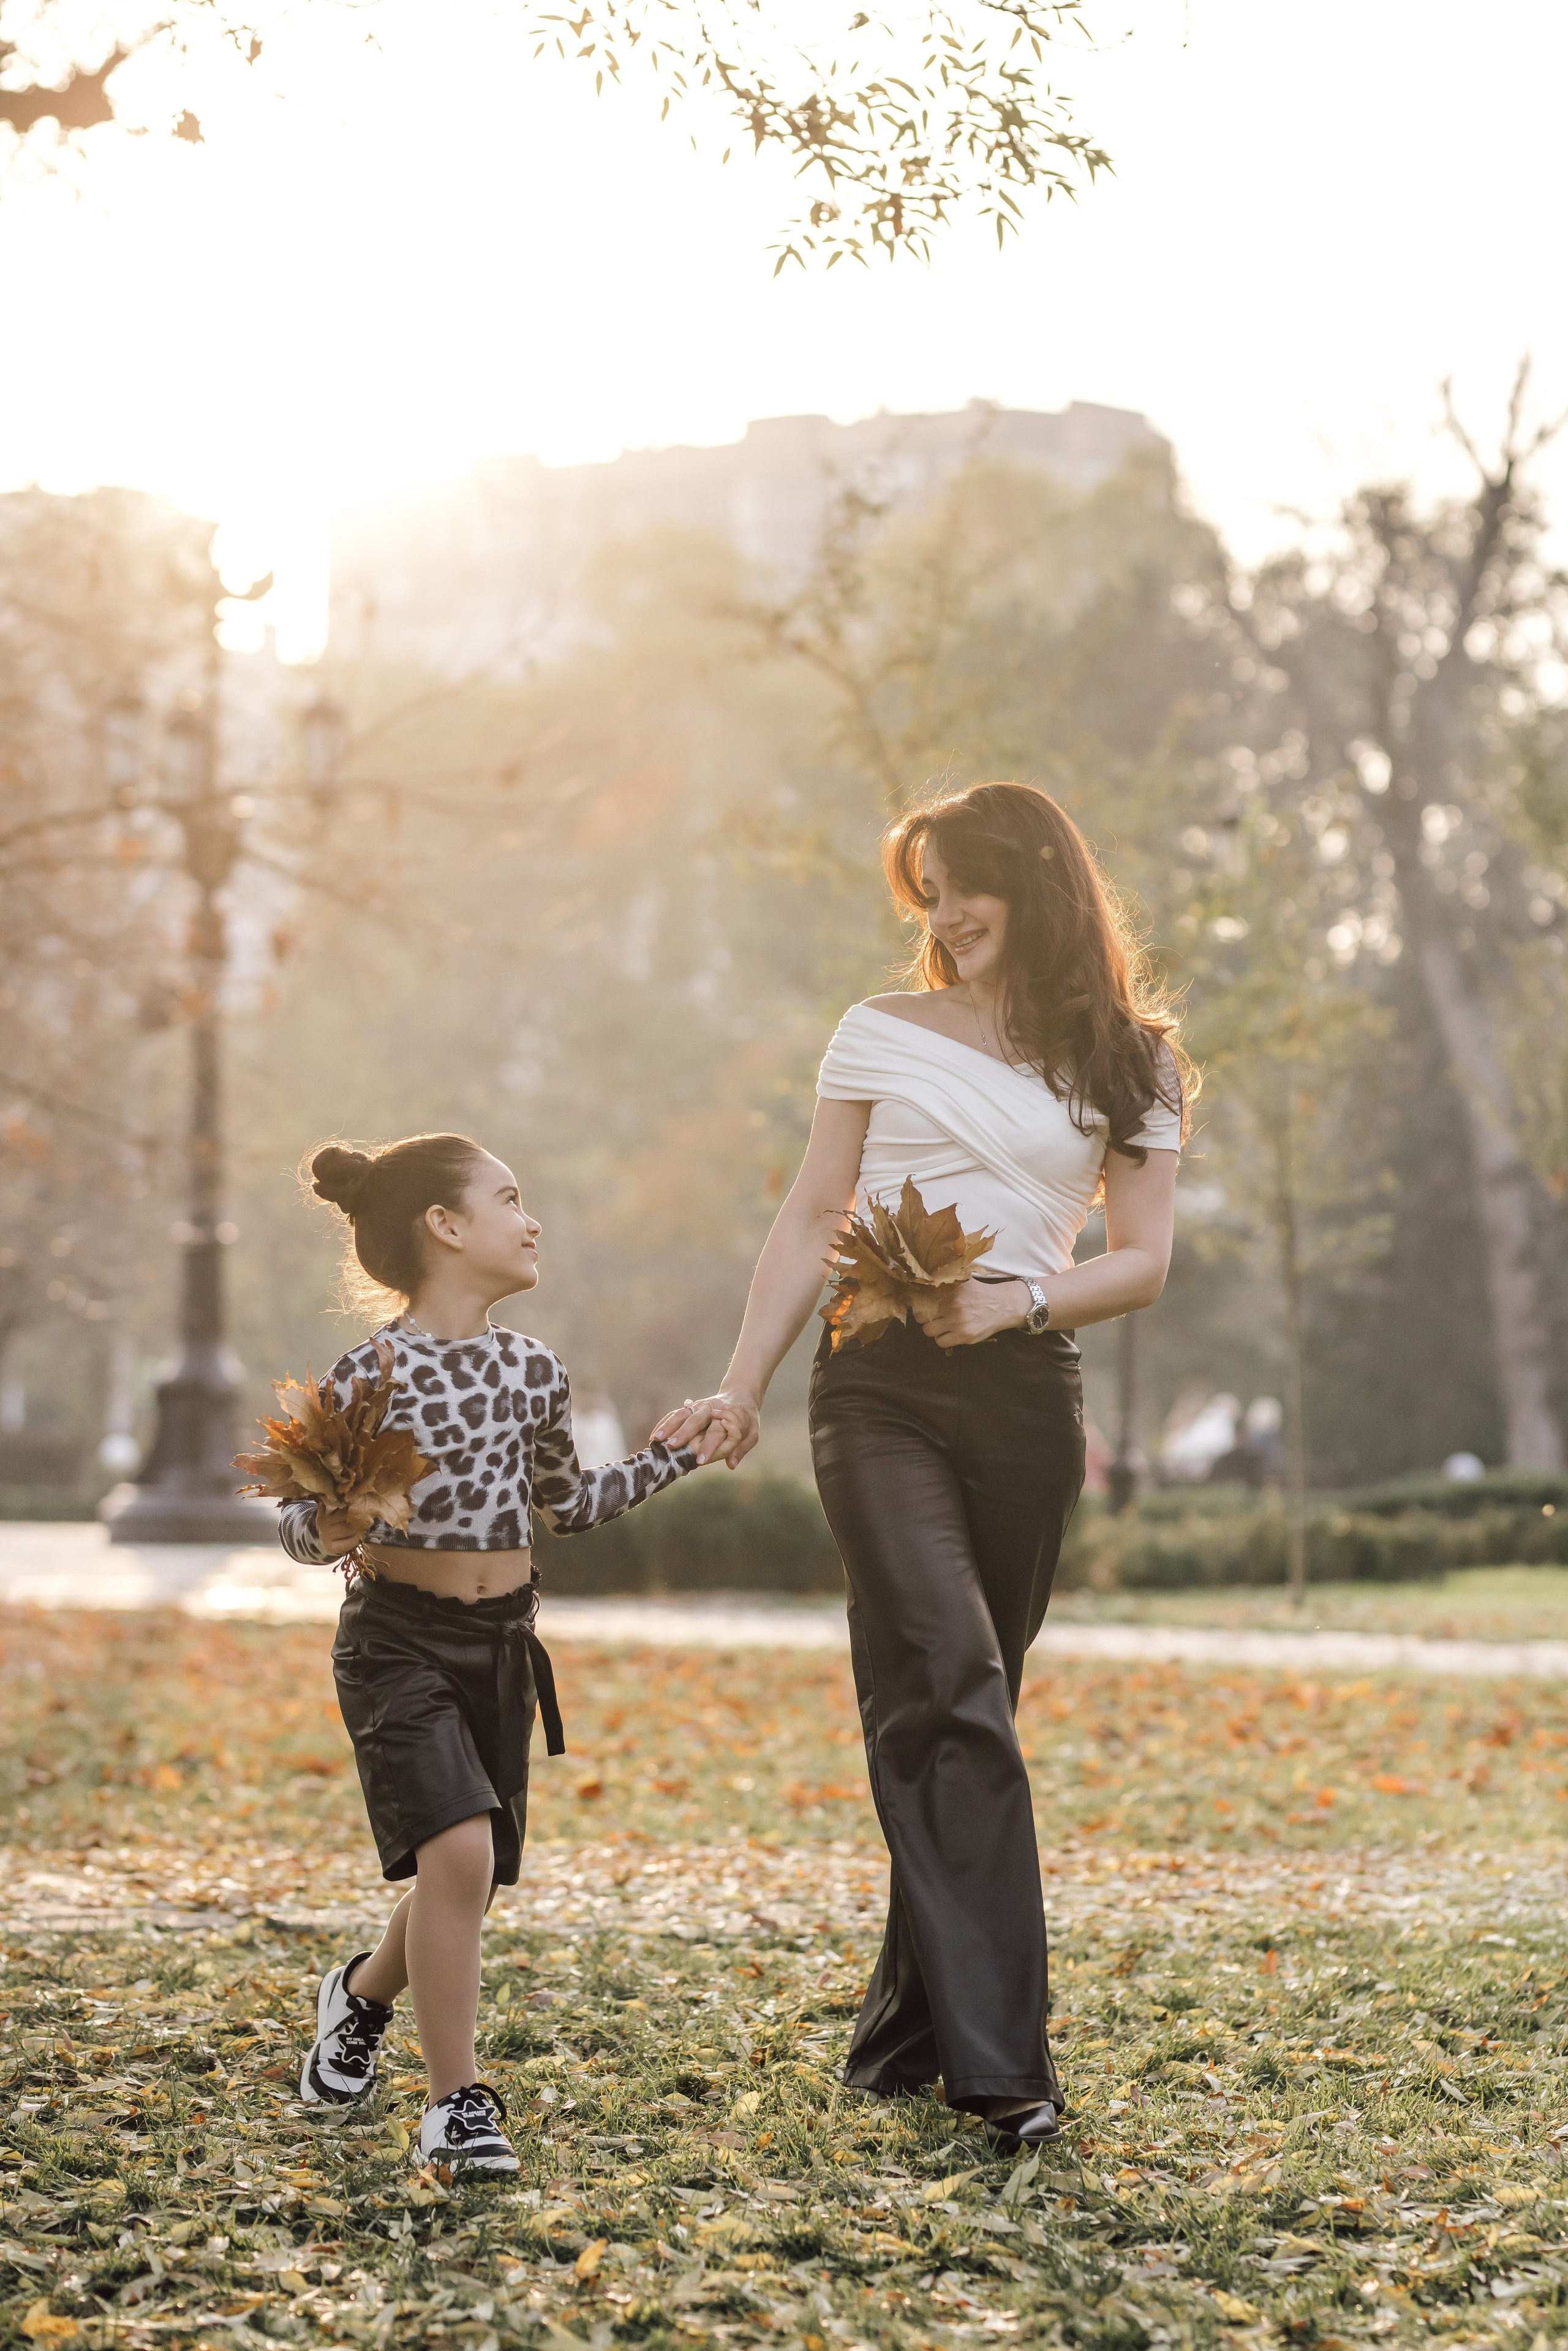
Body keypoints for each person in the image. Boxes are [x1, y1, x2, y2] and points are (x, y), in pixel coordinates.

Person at [659, 782, 1189, 2151]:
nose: (944, 917)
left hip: (1023, 1399)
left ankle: (903, 2031)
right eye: (927, 895)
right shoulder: (879, 1029)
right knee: (947, 1676)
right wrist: (740, 1383)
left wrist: (1017, 1302)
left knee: (959, 1705)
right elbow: (811, 1211)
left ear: (1036, 881)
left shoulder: (1132, 1060)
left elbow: (1141, 1260)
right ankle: (1005, 2068)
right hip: (875, 1380)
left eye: (964, 887)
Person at [279, 1132, 731, 2175]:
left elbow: (570, 1504)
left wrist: (679, 1453)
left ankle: (359, 1998)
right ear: (445, 1225)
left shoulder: (534, 1370)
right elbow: (299, 1523)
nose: (532, 1221)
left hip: (501, 1645)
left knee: (465, 1873)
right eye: (511, 1198)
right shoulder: (369, 1374)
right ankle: (456, 2106)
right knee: (462, 1853)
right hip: (396, 1642)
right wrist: (330, 1526)